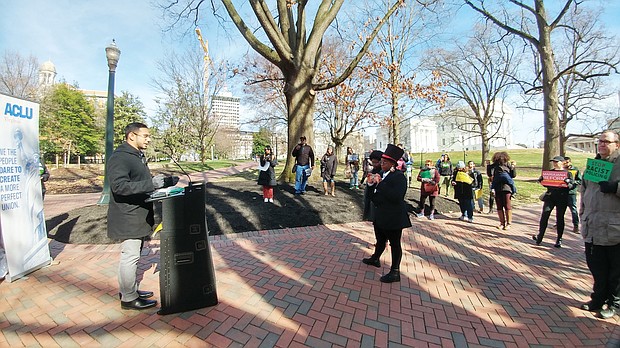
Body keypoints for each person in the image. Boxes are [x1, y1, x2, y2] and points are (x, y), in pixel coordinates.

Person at [107, 122, 178, 311]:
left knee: (134, 254)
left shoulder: (136, 156)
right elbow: (119, 186)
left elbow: (141, 182)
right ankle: (129, 298)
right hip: (127, 215)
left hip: (138, 213)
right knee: (130, 255)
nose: (149, 139)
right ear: (132, 136)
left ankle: (129, 290)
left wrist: (164, 182)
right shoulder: (120, 157)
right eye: (145, 136)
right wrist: (151, 184)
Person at [579, 130, 620, 319]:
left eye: (607, 141)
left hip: (614, 228)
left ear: (616, 144)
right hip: (593, 226)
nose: (602, 144)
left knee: (616, 270)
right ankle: (598, 298)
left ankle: (614, 303)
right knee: (597, 266)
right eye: (600, 141)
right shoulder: (593, 166)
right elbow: (584, 192)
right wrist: (582, 215)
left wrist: (615, 188)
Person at [362, 144, 412, 283]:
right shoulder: (381, 174)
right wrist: (371, 185)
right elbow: (373, 197)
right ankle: (375, 258)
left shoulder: (399, 177)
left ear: (392, 164)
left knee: (395, 244)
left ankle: (395, 271)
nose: (381, 164)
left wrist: (381, 183)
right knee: (380, 240)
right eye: (381, 162)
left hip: (394, 217)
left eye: (384, 162)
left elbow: (397, 196)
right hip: (380, 215)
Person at [532, 156, 575, 248]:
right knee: (544, 216)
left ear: (562, 162)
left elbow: (572, 186)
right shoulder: (550, 172)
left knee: (560, 218)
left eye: (557, 162)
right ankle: (540, 236)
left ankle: (559, 239)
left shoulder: (567, 173)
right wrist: (542, 181)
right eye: (554, 162)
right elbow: (546, 183)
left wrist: (568, 182)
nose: (555, 163)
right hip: (550, 197)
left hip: (562, 198)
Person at [489, 152, 517, 230]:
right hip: (498, 188)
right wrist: (488, 165)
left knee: (507, 206)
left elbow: (513, 175)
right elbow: (489, 174)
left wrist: (513, 167)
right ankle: (502, 223)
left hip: (506, 188)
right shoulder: (495, 165)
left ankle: (509, 223)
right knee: (499, 206)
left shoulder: (507, 164)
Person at [362, 150, 383, 221]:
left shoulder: (383, 172)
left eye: (376, 162)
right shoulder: (372, 171)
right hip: (371, 199)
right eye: (373, 162)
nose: (374, 164)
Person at [564, 156, 582, 233]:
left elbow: (580, 181)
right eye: (564, 162)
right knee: (560, 209)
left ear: (570, 162)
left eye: (567, 162)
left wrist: (572, 183)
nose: (566, 164)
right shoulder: (561, 170)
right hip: (562, 192)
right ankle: (558, 223)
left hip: (571, 192)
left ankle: (576, 226)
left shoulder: (575, 169)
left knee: (573, 209)